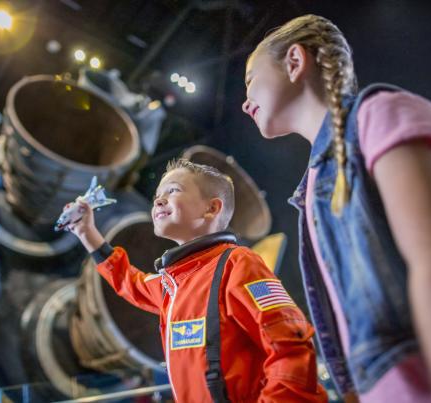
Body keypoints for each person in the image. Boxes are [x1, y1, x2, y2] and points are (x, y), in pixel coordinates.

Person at [242, 14, 431, 403]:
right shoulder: (312, 185)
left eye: (251, 79)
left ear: (295, 62)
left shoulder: (377, 114)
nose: (244, 100)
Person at [66, 158, 327, 402]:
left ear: (212, 208)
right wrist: (86, 232)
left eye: (173, 191)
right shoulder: (173, 284)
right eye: (157, 196)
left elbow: (292, 346)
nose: (158, 201)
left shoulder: (239, 264)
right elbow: (129, 282)